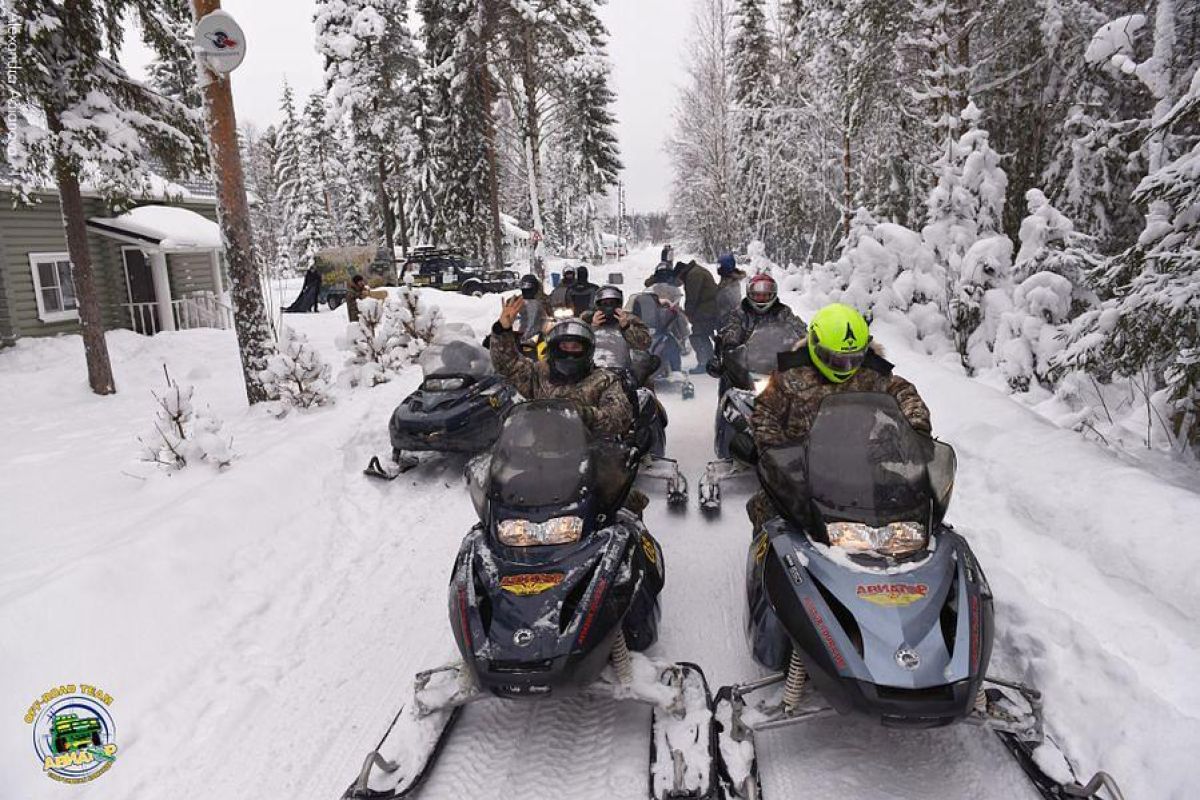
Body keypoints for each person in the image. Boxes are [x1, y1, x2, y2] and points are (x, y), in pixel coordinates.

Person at [745, 303, 932, 532]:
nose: (847, 366)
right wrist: (775, 453)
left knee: (912, 505)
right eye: (836, 359)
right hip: (802, 466)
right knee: (765, 510)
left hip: (858, 459)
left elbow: (903, 392)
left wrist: (917, 428)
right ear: (815, 345)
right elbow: (764, 412)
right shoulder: (790, 374)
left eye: (854, 358)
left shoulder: (871, 371)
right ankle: (764, 559)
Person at [492, 296, 633, 438]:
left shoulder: (604, 380)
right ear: (554, 348)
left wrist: (584, 415)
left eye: (575, 346)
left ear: (587, 350)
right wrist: (502, 331)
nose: (569, 352)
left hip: (590, 452)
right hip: (540, 450)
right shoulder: (538, 373)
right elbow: (507, 364)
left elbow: (619, 417)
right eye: (564, 346)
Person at [715, 273, 804, 358]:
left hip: (779, 361)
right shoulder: (741, 312)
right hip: (747, 363)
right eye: (757, 295)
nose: (761, 299)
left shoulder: (783, 312)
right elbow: (732, 329)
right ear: (750, 294)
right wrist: (729, 344)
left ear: (772, 295)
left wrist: (805, 341)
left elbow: (798, 329)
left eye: (765, 295)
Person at [673, 259, 721, 373]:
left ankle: (705, 363)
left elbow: (692, 298)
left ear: (680, 274)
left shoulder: (693, 275)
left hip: (707, 309)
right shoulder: (696, 271)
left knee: (698, 335)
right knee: (704, 334)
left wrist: (688, 313)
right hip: (710, 307)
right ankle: (710, 361)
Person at [592, 285, 651, 350]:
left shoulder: (631, 320)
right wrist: (593, 328)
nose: (609, 307)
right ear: (598, 305)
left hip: (624, 359)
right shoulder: (588, 320)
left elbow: (644, 345)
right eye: (605, 303)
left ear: (618, 304)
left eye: (612, 303)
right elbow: (580, 345)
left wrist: (626, 328)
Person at [715, 253, 747, 323]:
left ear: (726, 266)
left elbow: (735, 304)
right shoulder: (726, 278)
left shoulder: (732, 283)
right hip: (723, 318)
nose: (718, 268)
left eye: (719, 266)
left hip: (729, 321)